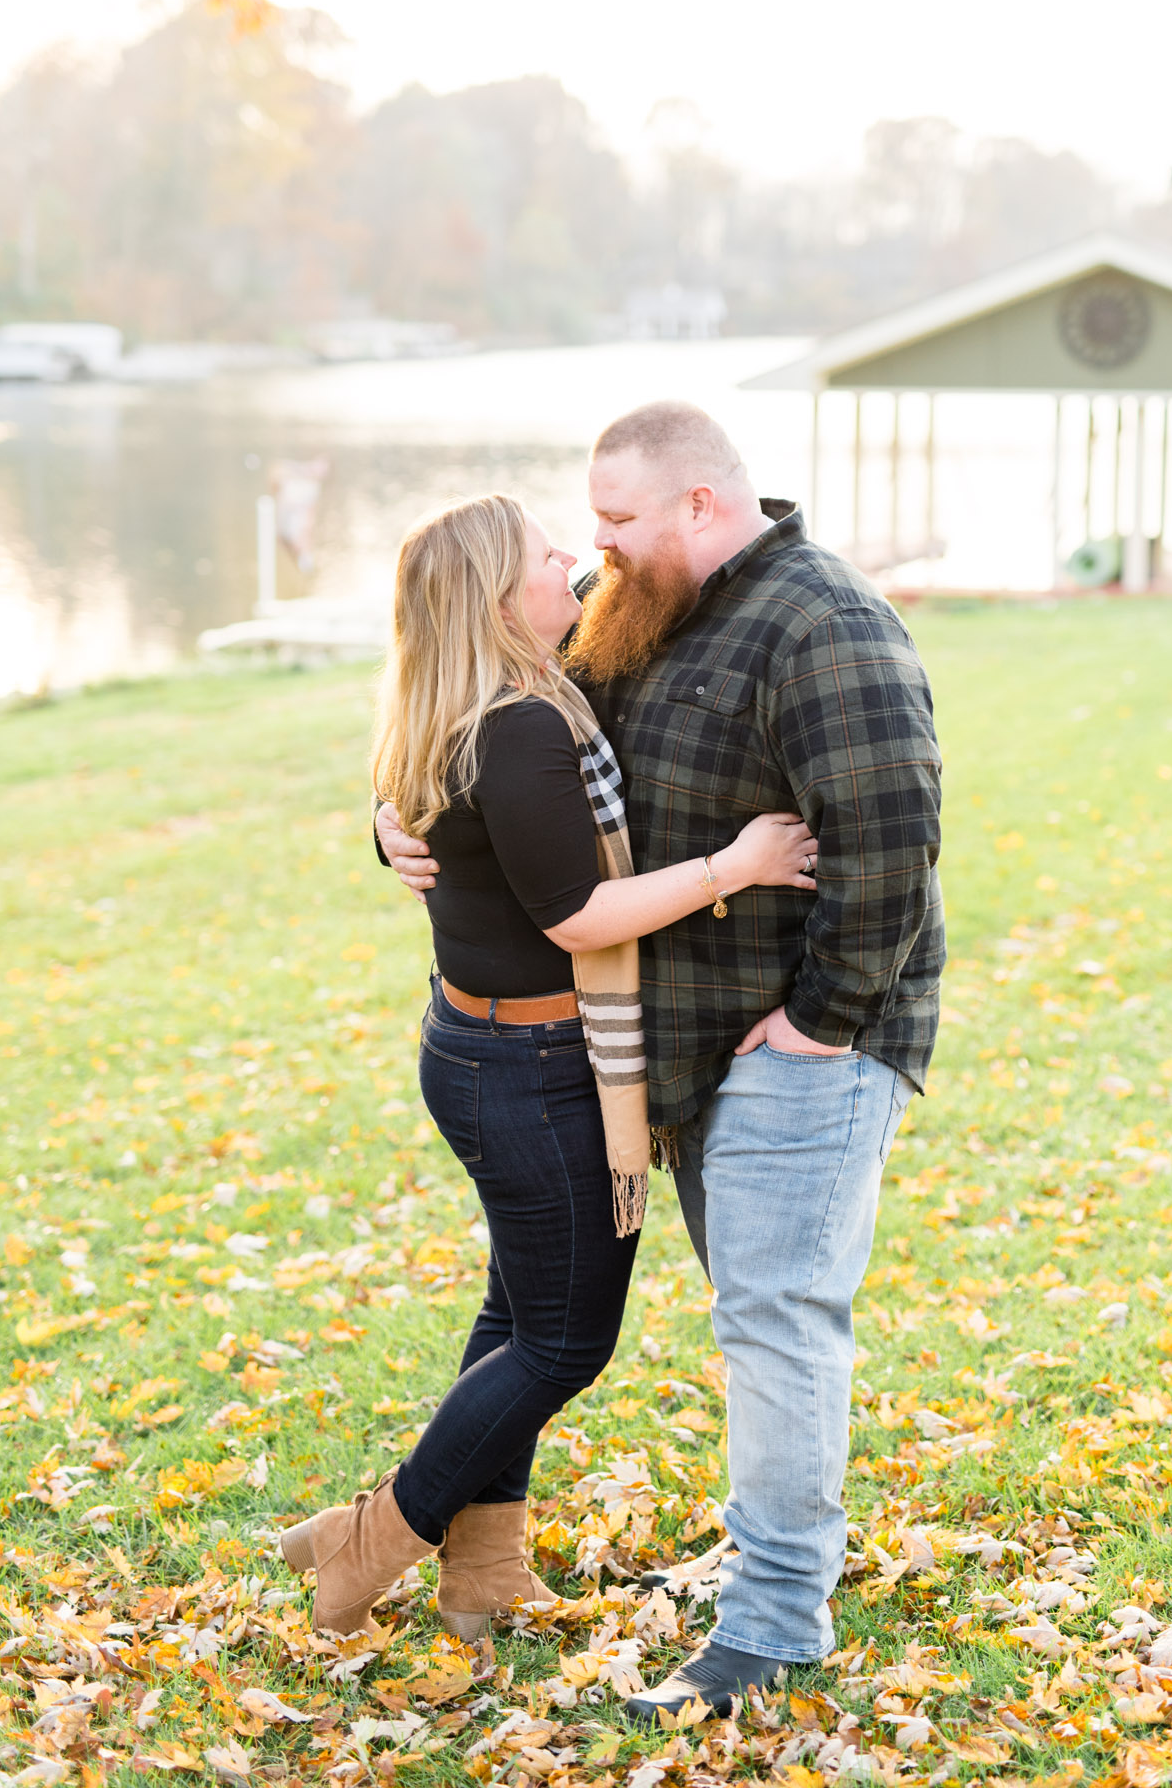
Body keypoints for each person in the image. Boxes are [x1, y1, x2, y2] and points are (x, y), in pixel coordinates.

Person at [377, 405, 945, 1716]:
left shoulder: (824, 627)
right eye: (583, 530)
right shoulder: (639, 607)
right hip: (671, 1042)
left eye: (617, 522)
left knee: (774, 1314)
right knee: (742, 1312)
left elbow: (891, 843)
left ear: (699, 503)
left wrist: (820, 1024)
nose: (591, 554)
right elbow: (488, 734)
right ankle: (763, 1553)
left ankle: (773, 1620)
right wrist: (394, 829)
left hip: (800, 1038)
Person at [279, 492, 819, 1641]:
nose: (571, 558)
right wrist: (739, 860)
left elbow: (438, 808)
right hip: (526, 1061)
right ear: (491, 596)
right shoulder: (517, 721)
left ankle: (485, 1570)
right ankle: (367, 1540)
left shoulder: (468, 691)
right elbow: (577, 911)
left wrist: (384, 819)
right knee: (564, 1338)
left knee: (515, 1313)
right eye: (541, 555)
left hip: (484, 1046)